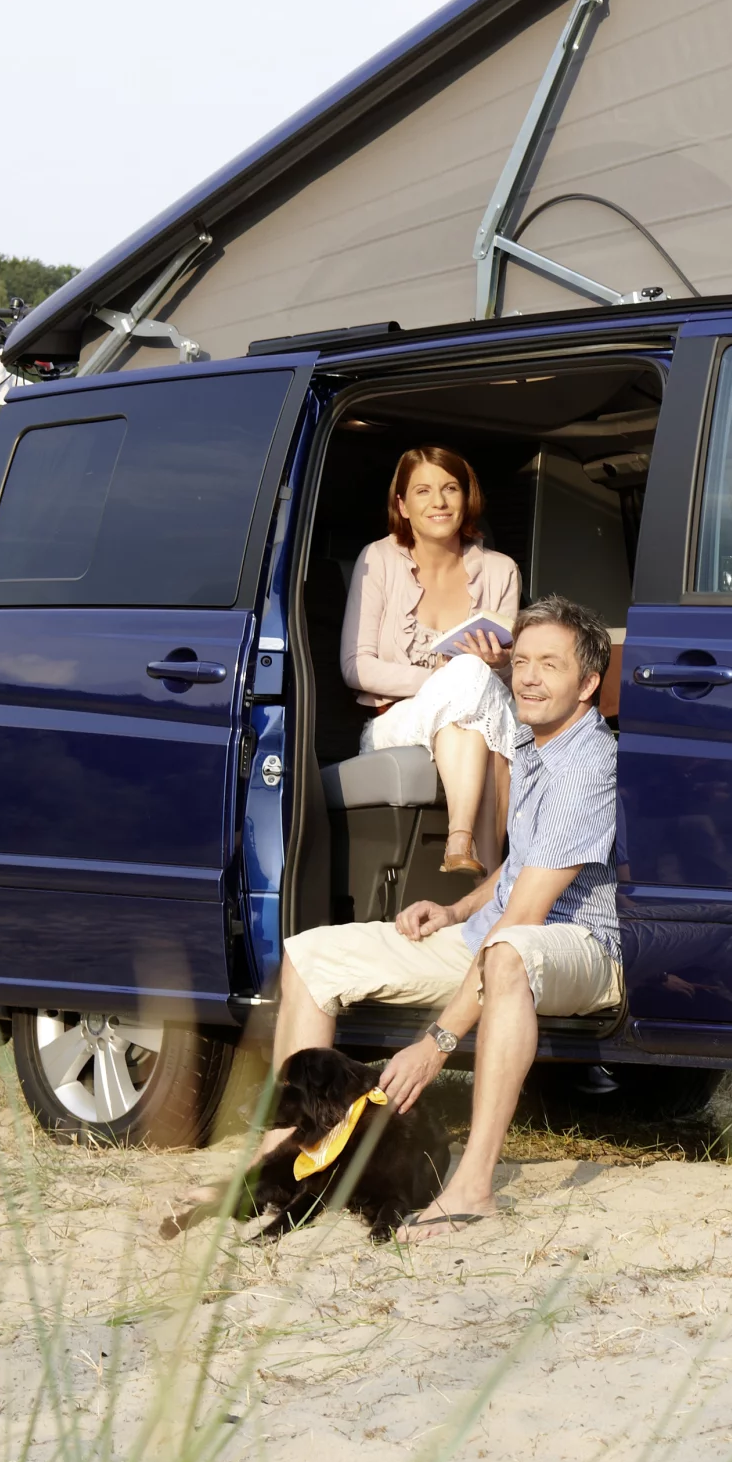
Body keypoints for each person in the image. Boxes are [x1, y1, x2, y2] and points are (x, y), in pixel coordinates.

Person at [273, 595, 621, 1238]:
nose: (530, 676)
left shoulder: (588, 764)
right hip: (493, 931)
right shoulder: (533, 743)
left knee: (509, 949)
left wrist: (436, 1044)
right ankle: (287, 1159)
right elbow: (519, 869)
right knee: (308, 956)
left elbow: (528, 909)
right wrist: (455, 907)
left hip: (581, 946)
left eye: (551, 664)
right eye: (522, 662)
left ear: (589, 683)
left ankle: (473, 1187)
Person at [344, 446, 523, 872]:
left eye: (450, 489)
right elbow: (356, 667)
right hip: (396, 721)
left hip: (482, 710)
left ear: (467, 498)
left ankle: (463, 851)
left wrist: (496, 664)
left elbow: (511, 672)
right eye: (423, 491)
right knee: (469, 680)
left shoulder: (501, 570)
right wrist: (448, 679)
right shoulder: (377, 560)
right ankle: (486, 871)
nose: (439, 502)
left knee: (480, 713)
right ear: (402, 505)